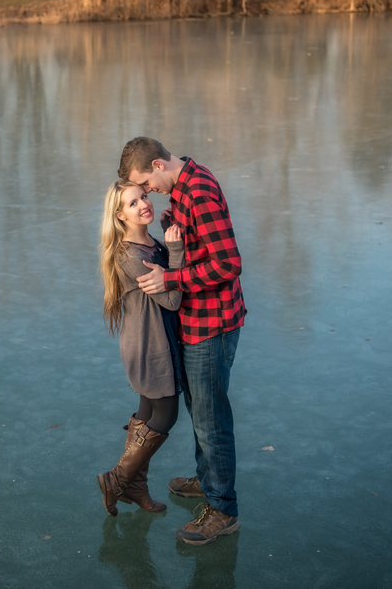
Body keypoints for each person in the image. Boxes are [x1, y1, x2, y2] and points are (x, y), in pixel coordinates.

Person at [118, 136, 246, 546]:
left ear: (158, 165)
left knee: (211, 420)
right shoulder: (185, 188)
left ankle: (222, 509)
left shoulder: (200, 192)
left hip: (213, 324)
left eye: (146, 183)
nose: (149, 193)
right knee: (200, 410)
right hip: (195, 321)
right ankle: (208, 480)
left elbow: (228, 263)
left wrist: (172, 277)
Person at [97, 181, 185, 517]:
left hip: (155, 339)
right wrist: (175, 250)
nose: (143, 205)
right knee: (166, 414)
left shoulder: (149, 243)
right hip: (150, 346)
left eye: (144, 197)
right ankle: (117, 479)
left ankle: (134, 485)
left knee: (147, 414)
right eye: (132, 204)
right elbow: (173, 299)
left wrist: (167, 240)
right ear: (120, 215)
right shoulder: (131, 255)